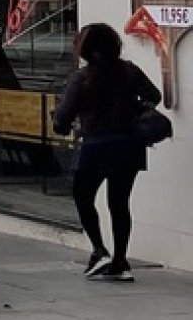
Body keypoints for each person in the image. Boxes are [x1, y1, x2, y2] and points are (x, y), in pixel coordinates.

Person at [52, 23, 162, 282]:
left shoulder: (82, 77)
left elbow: (62, 118)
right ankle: (120, 261)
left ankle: (99, 251)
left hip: (96, 145)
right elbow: (154, 96)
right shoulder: (130, 71)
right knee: (119, 203)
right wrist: (136, 109)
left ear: (84, 50)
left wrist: (62, 122)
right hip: (129, 145)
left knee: (83, 196)